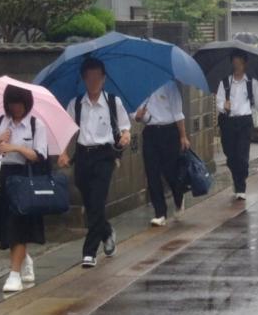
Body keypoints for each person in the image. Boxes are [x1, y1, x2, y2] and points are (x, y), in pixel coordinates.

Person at [58, 57, 131, 268]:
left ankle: (89, 252)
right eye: (90, 78)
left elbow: (125, 127)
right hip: (82, 156)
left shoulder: (113, 102)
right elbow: (67, 131)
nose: (94, 82)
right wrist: (63, 152)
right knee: (90, 203)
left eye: (97, 77)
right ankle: (106, 232)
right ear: (84, 79)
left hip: (104, 156)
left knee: (98, 200)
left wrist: (126, 136)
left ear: (104, 78)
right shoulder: (76, 104)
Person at [0, 84, 48, 293]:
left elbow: (39, 155)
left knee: (18, 225)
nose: (16, 108)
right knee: (7, 226)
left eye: (20, 103)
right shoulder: (0, 122)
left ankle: (14, 274)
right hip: (3, 177)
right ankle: (24, 259)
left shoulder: (36, 124)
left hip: (24, 178)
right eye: (12, 104)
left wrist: (16, 147)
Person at [133, 80, 191, 227]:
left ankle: (179, 198)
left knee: (171, 172)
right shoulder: (139, 86)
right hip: (150, 132)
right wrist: (138, 116)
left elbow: (178, 113)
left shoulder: (169, 85)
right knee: (152, 173)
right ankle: (160, 213)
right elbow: (135, 114)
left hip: (169, 131)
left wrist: (183, 136)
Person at [215, 50, 258, 200]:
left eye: (239, 63)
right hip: (228, 121)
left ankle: (241, 186)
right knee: (231, 156)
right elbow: (218, 101)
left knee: (242, 155)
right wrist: (223, 106)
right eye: (234, 62)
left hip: (244, 121)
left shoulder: (252, 82)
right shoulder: (224, 82)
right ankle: (236, 178)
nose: (237, 65)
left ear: (245, 64)